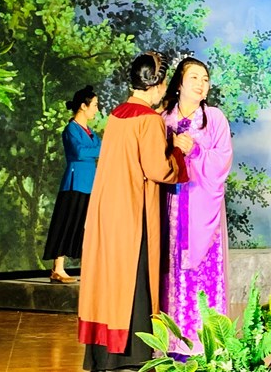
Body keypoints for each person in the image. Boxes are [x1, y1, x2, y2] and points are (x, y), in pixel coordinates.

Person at [78, 52, 191, 371]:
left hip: (107, 209)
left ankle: (102, 355)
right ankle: (130, 356)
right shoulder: (149, 119)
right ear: (156, 84)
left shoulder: (117, 114)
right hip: (132, 211)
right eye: (164, 82)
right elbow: (158, 170)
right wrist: (178, 150)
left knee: (110, 278)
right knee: (134, 277)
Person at [159, 57, 233, 355]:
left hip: (204, 207)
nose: (201, 84)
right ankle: (171, 341)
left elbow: (223, 160)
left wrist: (196, 150)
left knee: (204, 272)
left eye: (205, 79)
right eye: (194, 77)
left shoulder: (214, 118)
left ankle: (206, 343)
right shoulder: (163, 119)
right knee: (171, 268)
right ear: (179, 83)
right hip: (171, 206)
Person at [42, 86, 100, 284]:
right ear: (83, 106)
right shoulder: (71, 129)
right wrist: (96, 150)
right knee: (66, 222)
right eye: (94, 105)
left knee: (85, 226)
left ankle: (87, 268)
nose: (97, 109)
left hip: (90, 183)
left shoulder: (91, 132)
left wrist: (96, 149)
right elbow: (80, 152)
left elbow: (101, 148)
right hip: (74, 183)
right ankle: (58, 268)